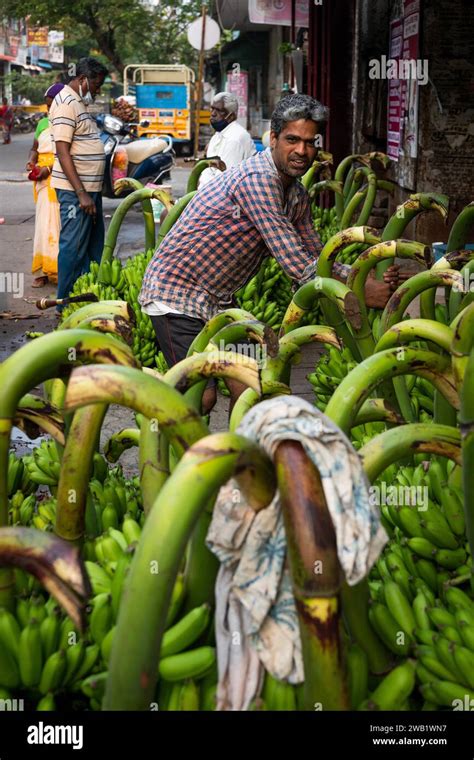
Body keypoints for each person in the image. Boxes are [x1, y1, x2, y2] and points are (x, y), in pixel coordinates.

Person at [139, 94, 400, 414]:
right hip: (176, 293)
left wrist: (360, 277)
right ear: (273, 139)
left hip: (218, 302)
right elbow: (296, 265)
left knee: (255, 383)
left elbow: (316, 257)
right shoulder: (258, 180)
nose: (301, 151)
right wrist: (362, 290)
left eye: (309, 141)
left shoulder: (296, 194)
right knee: (200, 399)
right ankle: (158, 440)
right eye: (292, 139)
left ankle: (238, 456)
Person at [49, 57, 108, 314]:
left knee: (93, 247)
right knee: (73, 247)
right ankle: (64, 304)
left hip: (89, 191)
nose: (98, 90)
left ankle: (84, 298)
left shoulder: (79, 102)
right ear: (83, 80)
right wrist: (81, 193)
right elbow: (63, 151)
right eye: (96, 85)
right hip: (77, 193)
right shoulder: (65, 103)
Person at [26, 83, 65, 288]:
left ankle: (60, 270)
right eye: (47, 106)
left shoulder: (67, 123)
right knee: (43, 225)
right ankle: (42, 271)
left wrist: (48, 169)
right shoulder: (42, 124)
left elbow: (69, 155)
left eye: (52, 105)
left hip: (59, 179)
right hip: (41, 181)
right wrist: (32, 162)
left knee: (58, 226)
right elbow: (34, 148)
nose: (49, 110)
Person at [198, 92, 256, 187]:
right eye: (212, 109)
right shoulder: (218, 134)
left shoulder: (235, 138)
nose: (213, 114)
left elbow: (225, 180)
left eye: (219, 111)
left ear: (231, 116)